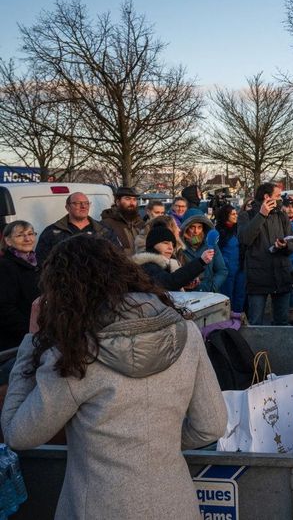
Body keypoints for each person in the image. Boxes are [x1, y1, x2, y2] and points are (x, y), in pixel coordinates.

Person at [1, 235, 226, 519]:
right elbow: (212, 425)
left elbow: (18, 433)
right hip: (174, 503)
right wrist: (157, 443)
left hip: (98, 506)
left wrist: (30, 342)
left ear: (62, 291)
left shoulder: (73, 353)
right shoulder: (186, 333)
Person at [239, 182, 293, 325]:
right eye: (277, 196)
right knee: (256, 322)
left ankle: (281, 348)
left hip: (281, 275)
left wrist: (285, 245)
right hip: (258, 276)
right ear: (267, 197)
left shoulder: (282, 216)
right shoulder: (246, 215)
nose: (280, 199)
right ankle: (256, 348)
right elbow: (245, 239)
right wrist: (261, 215)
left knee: (282, 321)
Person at [35, 192, 116, 265]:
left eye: (86, 203)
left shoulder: (103, 231)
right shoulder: (51, 232)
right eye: (77, 203)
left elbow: (116, 258)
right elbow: (42, 262)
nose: (83, 206)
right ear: (67, 207)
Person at [134, 224, 213, 291]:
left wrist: (184, 284)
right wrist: (200, 261)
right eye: (166, 243)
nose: (170, 248)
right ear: (153, 244)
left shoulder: (165, 264)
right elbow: (168, 283)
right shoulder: (147, 265)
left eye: (173, 245)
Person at [0, 221, 40, 350]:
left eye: (30, 234)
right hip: (17, 340)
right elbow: (5, 307)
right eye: (20, 235)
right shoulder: (5, 266)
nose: (27, 239)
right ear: (8, 241)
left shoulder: (37, 263)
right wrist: (30, 332)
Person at [180, 215, 228, 293]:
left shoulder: (211, 245)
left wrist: (212, 287)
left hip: (209, 294)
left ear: (203, 229)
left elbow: (222, 271)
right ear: (186, 228)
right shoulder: (180, 248)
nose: (196, 231)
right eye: (192, 227)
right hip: (187, 295)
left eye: (199, 227)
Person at [214, 204, 247, 314]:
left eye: (236, 213)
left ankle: (238, 317)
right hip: (226, 270)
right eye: (232, 214)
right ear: (225, 215)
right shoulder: (218, 231)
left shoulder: (238, 229)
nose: (235, 216)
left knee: (240, 295)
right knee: (227, 297)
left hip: (240, 268)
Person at [101, 186, 144, 257]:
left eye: (134, 199)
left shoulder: (140, 223)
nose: (132, 203)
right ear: (118, 202)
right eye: (128, 199)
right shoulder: (107, 224)